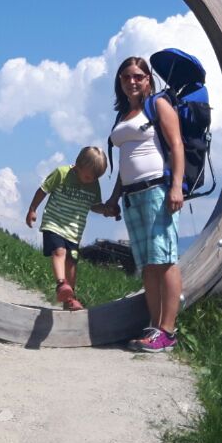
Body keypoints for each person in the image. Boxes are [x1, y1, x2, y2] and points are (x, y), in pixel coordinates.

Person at [101, 56, 184, 353]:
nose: (132, 81)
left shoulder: (159, 104)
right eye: (126, 77)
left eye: (138, 76)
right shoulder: (123, 115)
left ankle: (168, 331)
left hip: (157, 191)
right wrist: (113, 198)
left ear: (148, 79)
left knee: (165, 260)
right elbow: (125, 163)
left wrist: (176, 186)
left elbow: (176, 145)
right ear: (119, 82)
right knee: (148, 264)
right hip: (132, 196)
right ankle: (154, 326)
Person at [24, 146, 109, 311]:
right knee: (60, 252)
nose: (91, 180)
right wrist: (33, 209)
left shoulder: (93, 184)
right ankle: (61, 285)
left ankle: (69, 299)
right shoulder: (62, 173)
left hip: (74, 231)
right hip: (54, 223)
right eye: (88, 176)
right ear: (77, 165)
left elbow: (94, 205)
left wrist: (105, 210)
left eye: (95, 178)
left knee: (71, 263)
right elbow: (43, 190)